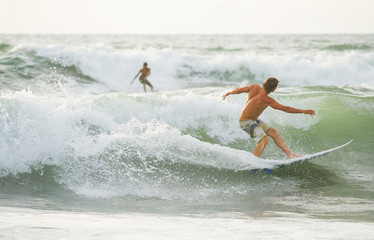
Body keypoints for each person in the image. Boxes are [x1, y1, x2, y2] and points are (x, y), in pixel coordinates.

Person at [222, 77, 315, 158]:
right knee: (264, 139)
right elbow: (286, 108)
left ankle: (290, 155)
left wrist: (228, 93)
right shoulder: (267, 99)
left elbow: (239, 90)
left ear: (264, 83)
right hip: (246, 122)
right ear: (273, 89)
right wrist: (304, 111)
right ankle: (255, 161)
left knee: (274, 132)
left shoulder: (254, 87)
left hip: (253, 120)